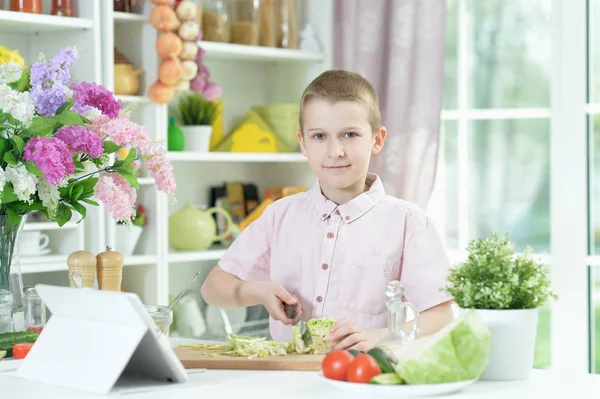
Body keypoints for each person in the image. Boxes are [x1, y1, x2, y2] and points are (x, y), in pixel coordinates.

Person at [201, 69, 454, 351]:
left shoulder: (409, 223)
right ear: (303, 143)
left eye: (349, 134)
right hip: (284, 381)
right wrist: (257, 291)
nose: (335, 151)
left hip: (362, 379)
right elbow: (213, 288)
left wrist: (380, 337)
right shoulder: (279, 216)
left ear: (377, 139)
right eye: (320, 136)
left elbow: (440, 315)